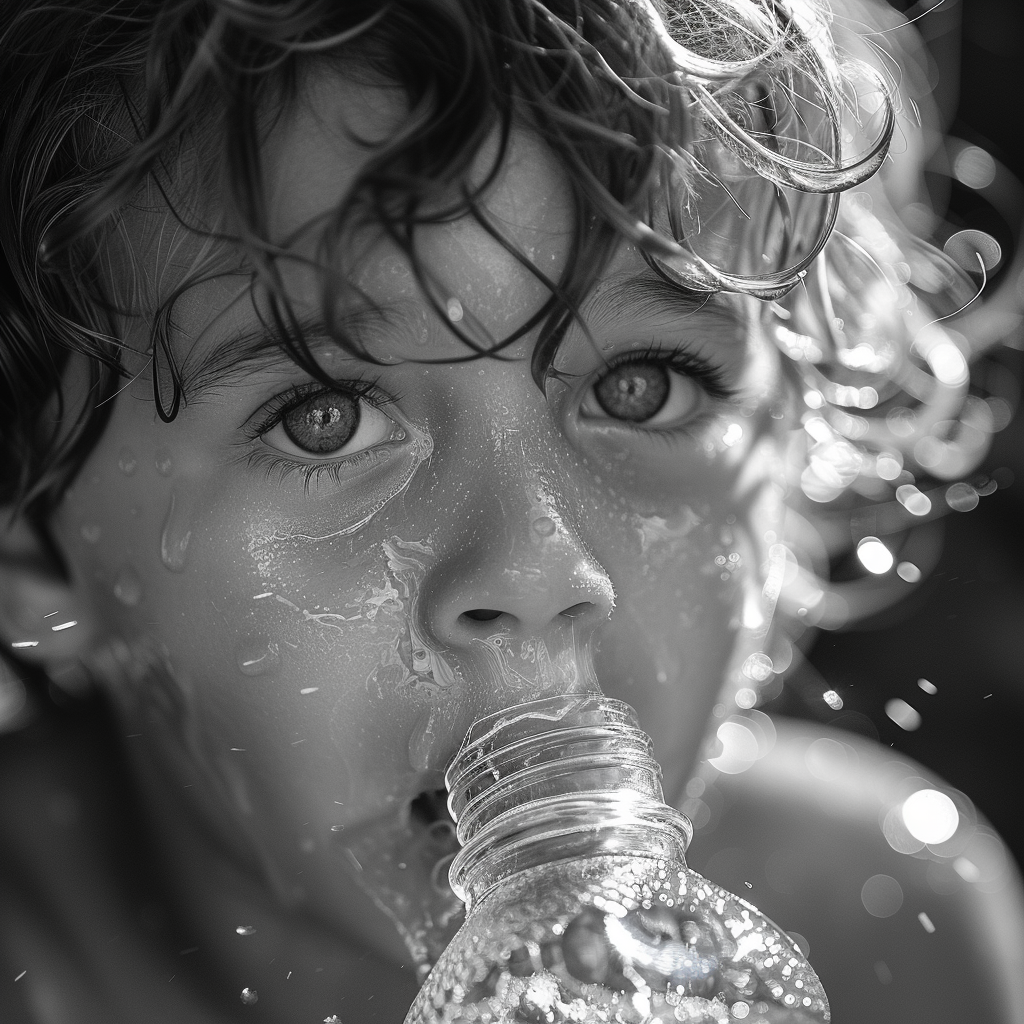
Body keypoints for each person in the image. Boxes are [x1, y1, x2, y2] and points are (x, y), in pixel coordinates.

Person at [0, 0, 1020, 1021]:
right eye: (324, 418)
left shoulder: (881, 928)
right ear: (32, 535)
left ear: (798, 452)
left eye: (641, 385)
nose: (537, 570)